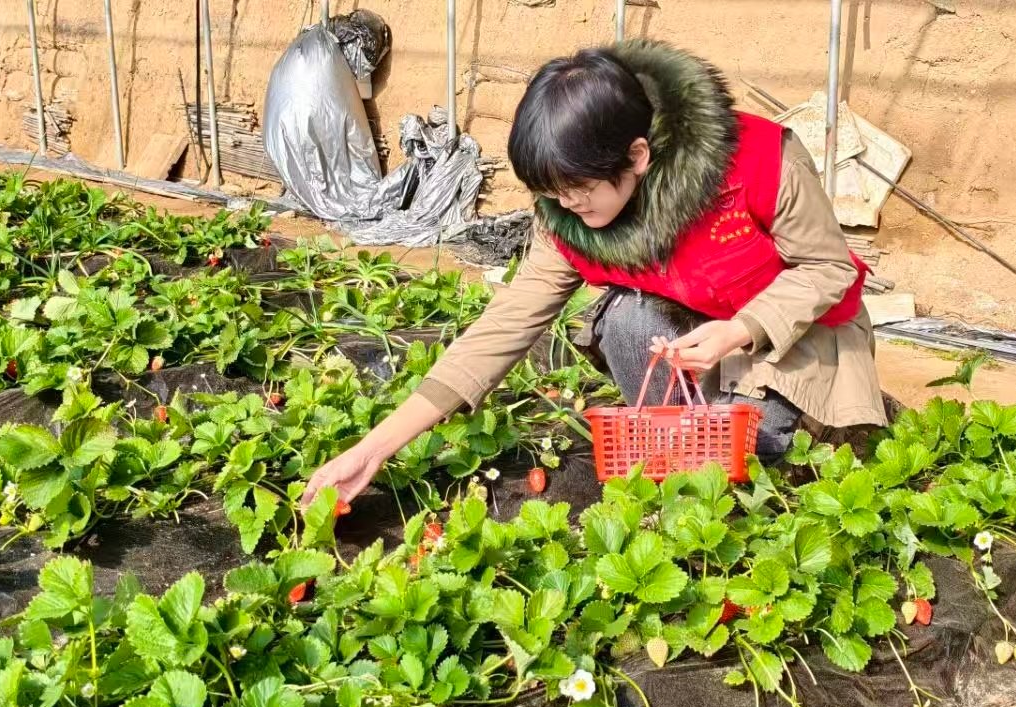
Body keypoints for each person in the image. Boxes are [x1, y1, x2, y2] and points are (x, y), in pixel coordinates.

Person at [304, 40, 888, 504]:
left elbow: (826, 267)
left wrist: (742, 330)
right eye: (553, 193)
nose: (569, 206)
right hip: (695, 332)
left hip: (791, 337)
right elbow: (504, 326)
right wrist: (374, 448)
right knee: (630, 320)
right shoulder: (568, 213)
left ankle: (757, 440)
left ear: (637, 155)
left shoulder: (758, 162)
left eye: (579, 189)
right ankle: (695, 450)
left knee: (757, 444)